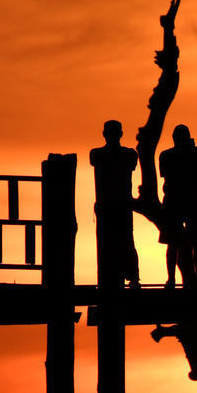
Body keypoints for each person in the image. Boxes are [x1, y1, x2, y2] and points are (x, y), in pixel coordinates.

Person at [90, 119, 140, 287]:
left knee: (119, 242)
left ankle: (127, 277)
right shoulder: (127, 155)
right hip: (114, 205)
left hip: (115, 205)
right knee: (119, 242)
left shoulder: (98, 155)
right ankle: (126, 278)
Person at [158, 124, 197, 286]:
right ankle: (193, 278)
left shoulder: (166, 155)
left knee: (181, 243)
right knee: (192, 242)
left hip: (176, 201)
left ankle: (175, 279)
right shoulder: (194, 153)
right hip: (183, 200)